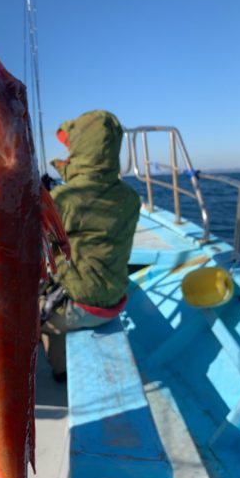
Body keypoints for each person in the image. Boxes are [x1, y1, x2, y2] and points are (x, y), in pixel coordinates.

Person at [40, 110, 141, 382]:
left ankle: (59, 371)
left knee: (38, 320)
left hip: (76, 310)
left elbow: (38, 249)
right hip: (114, 302)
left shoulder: (62, 198)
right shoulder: (131, 198)